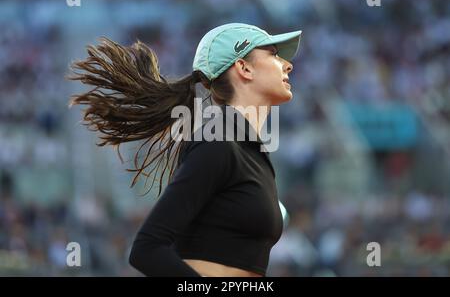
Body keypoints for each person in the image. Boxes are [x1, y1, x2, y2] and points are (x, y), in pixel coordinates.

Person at [68, 23, 302, 277]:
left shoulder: (249, 149)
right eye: (273, 54)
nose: (287, 64)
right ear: (244, 68)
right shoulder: (219, 143)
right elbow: (146, 248)